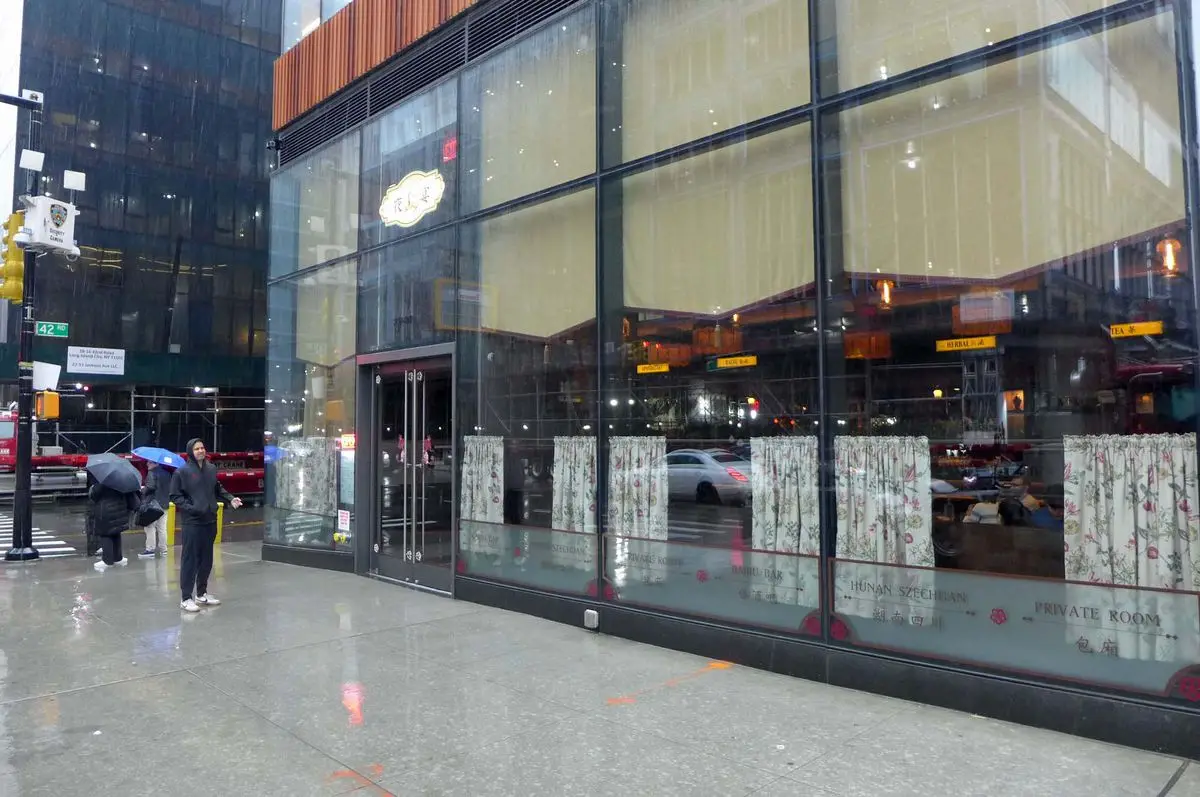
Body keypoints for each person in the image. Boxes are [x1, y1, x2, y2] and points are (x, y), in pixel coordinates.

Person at [170, 438, 242, 613]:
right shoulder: (182, 472)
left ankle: (201, 593)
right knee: (190, 560)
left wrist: (231, 498)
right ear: (190, 452)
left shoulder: (211, 469)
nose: (201, 451)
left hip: (210, 520)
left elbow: (217, 488)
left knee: (206, 560)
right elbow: (175, 496)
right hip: (192, 522)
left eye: (202, 448)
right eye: (197, 449)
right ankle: (186, 597)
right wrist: (192, 508)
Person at [89, 481, 139, 571]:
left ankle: (107, 561)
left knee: (105, 534)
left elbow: (94, 496)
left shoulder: (103, 482)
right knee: (116, 532)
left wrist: (93, 488)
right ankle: (118, 558)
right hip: (120, 509)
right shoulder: (122, 482)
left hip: (106, 511)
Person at [138, 461, 174, 559]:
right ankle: (164, 550)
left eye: (149, 463)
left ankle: (150, 550)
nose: (147, 464)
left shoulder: (152, 473)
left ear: (156, 463)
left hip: (153, 505)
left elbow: (151, 487)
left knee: (150, 527)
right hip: (164, 504)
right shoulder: (167, 474)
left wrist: (142, 490)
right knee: (162, 528)